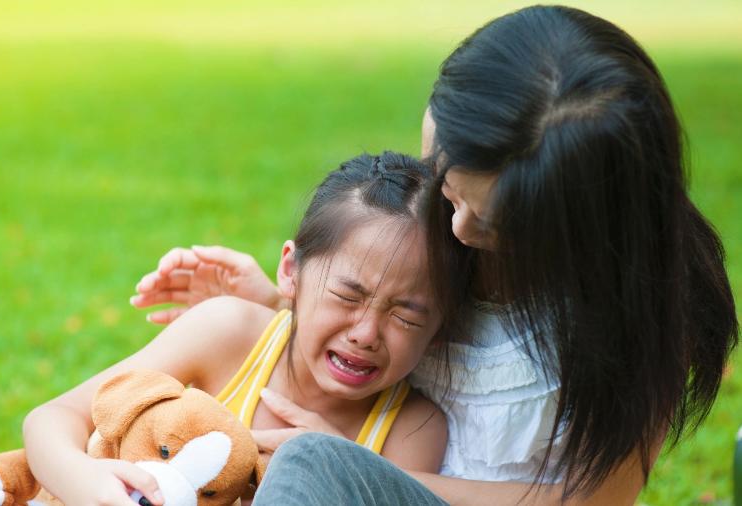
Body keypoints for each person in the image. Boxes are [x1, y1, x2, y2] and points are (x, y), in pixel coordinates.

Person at [131, 5, 738, 505]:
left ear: (584, 222)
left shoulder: (651, 308)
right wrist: (279, 305)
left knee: (310, 469)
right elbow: (386, 332)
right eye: (447, 187)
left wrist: (352, 468)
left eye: (502, 224)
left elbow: (587, 502)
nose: (460, 228)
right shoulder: (439, 227)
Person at [23, 152, 449, 506]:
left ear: (440, 324)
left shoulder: (411, 426)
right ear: (290, 271)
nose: (366, 333)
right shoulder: (231, 333)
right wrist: (87, 483)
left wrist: (334, 462)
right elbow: (55, 417)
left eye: (406, 316)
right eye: (348, 296)